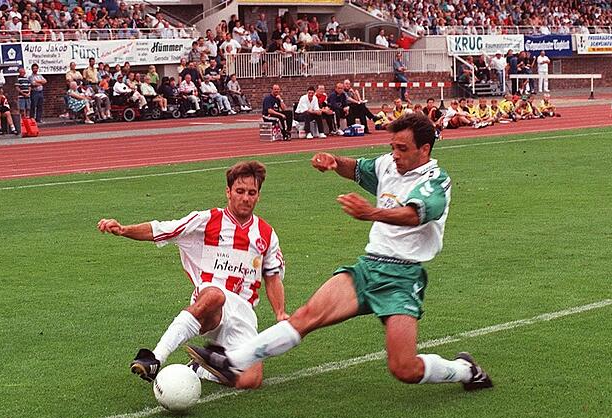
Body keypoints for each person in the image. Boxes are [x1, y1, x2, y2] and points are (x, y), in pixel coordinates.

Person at [188, 115, 493, 392]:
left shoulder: (435, 180)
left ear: (424, 150)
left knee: (404, 368)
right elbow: (360, 169)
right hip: (368, 267)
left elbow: (414, 214)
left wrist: (371, 212)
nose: (394, 154)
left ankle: (465, 371)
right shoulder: (390, 164)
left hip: (403, 278)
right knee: (307, 315)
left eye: (402, 148)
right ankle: (231, 360)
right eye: (392, 147)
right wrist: (334, 161)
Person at [97, 161, 288, 390]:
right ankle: (155, 357)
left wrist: (280, 313)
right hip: (209, 301)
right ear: (228, 192)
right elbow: (161, 229)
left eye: (251, 193)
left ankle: (201, 367)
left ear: (258, 195)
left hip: (243, 313)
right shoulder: (207, 220)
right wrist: (124, 229)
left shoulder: (266, 233)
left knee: (250, 381)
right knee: (216, 295)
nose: (245, 198)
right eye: (239, 191)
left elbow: (272, 276)